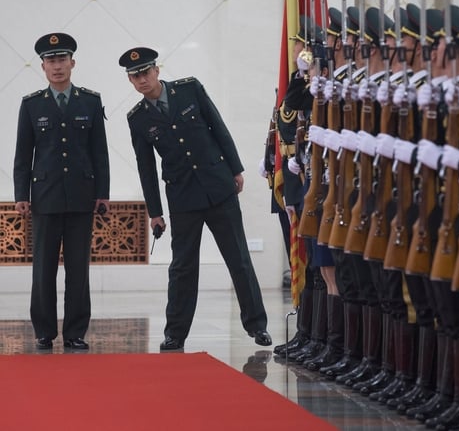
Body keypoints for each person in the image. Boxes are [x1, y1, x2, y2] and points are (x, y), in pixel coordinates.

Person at [119, 47, 271, 350]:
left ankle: (257, 326)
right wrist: (155, 212)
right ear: (131, 81)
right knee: (182, 267)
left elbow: (218, 127)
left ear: (156, 71)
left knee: (238, 259)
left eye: (145, 72)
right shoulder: (137, 118)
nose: (141, 79)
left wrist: (236, 169)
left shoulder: (189, 89)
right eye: (135, 76)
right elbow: (146, 167)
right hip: (183, 197)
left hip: (219, 188)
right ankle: (175, 333)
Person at [13, 32, 110, 351]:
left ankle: (75, 332)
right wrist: (21, 196)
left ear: (73, 63)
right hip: (45, 197)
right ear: (42, 66)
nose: (57, 66)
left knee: (79, 269)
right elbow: (23, 154)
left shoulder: (90, 101)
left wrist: (103, 193)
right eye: (51, 61)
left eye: (62, 60)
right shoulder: (31, 105)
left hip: (82, 195)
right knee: (43, 268)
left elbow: (100, 152)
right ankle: (43, 331)